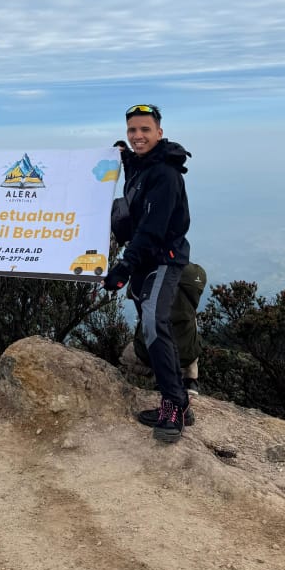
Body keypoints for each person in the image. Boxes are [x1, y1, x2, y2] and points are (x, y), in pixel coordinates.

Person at [103, 103, 193, 443]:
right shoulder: (142, 166)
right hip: (146, 262)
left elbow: (152, 229)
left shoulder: (165, 174)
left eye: (144, 130)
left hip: (162, 261)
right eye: (132, 131)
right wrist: (124, 156)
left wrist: (124, 267)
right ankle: (179, 401)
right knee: (155, 327)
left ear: (159, 131)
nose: (138, 136)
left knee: (155, 326)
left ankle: (174, 405)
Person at [134, 262, 207, 421]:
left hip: (160, 351)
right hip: (189, 352)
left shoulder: (159, 277)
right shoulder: (197, 277)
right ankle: (190, 382)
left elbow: (135, 293)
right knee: (189, 328)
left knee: (129, 356)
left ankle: (171, 409)